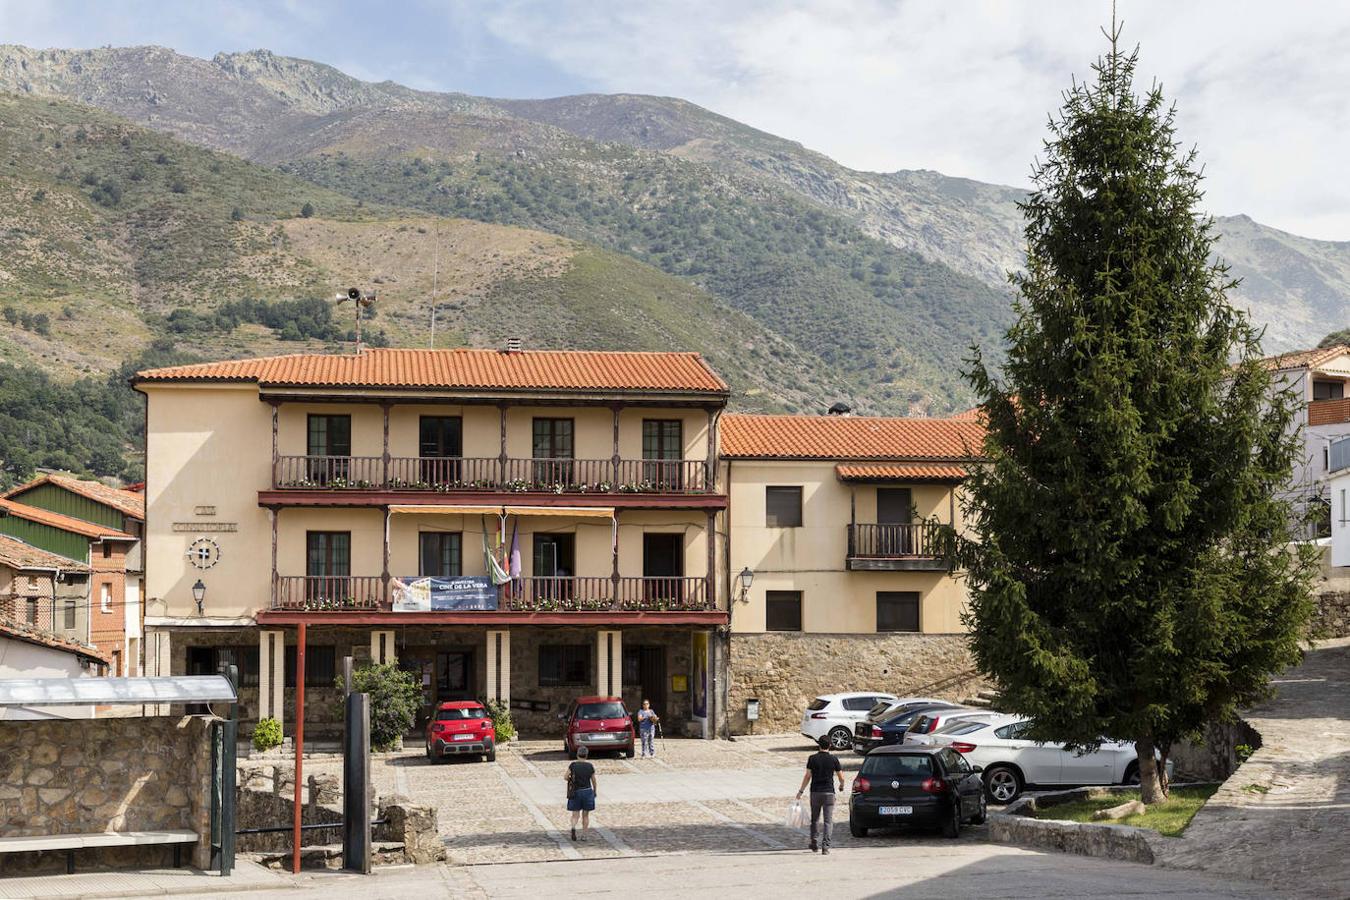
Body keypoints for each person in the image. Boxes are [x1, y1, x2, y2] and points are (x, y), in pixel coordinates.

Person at [796, 736, 844, 854]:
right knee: (828, 821)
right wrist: (841, 786)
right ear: (830, 746)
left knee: (815, 819)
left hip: (815, 792)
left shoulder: (812, 758)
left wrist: (801, 791)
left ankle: (814, 842)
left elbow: (807, 776)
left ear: (819, 745)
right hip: (829, 793)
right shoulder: (834, 759)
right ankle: (825, 847)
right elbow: (841, 777)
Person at [566, 744, 597, 841]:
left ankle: (573, 827)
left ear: (577, 755)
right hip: (587, 791)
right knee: (585, 815)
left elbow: (565, 777)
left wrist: (571, 779)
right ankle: (584, 835)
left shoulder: (573, 765)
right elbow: (594, 781)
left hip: (576, 792)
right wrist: (594, 791)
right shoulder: (589, 766)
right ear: (586, 755)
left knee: (575, 814)